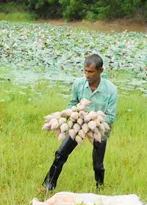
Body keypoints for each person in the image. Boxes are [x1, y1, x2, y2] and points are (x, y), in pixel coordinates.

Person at [43, 54, 118, 190]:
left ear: (101, 71)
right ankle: (49, 184)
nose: (87, 75)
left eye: (91, 72)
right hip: (78, 125)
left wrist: (92, 119)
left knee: (97, 164)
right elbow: (72, 103)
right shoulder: (78, 84)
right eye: (85, 71)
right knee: (60, 154)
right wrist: (72, 113)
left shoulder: (111, 90)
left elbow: (111, 117)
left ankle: (100, 187)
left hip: (99, 128)